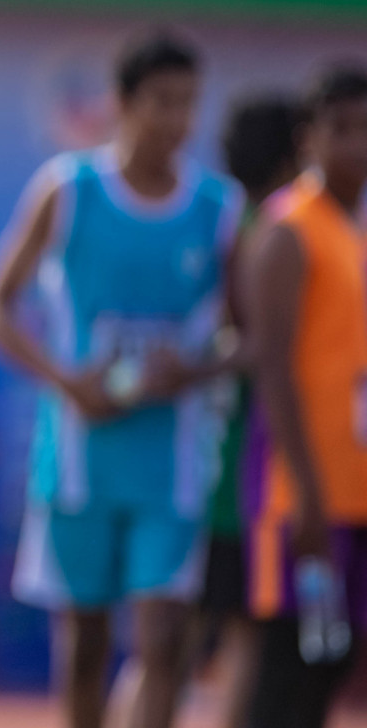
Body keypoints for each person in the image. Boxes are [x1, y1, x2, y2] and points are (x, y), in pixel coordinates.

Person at [0, 30, 243, 728]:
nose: (178, 120)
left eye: (189, 104)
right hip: (78, 462)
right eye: (162, 102)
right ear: (124, 103)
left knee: (163, 639)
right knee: (85, 648)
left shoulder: (219, 209)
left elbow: (247, 337)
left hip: (172, 464)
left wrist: (197, 366)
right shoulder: (69, 191)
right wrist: (69, 381)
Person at [242, 65, 367, 728]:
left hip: (353, 494)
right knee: (288, 678)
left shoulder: (353, 232)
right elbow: (274, 368)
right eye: (340, 130)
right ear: (308, 139)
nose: (356, 147)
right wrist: (309, 497)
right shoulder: (290, 230)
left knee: (326, 672)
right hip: (304, 503)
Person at [196, 97, 303, 728]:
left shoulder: (221, 221)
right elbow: (255, 342)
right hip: (241, 468)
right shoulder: (272, 229)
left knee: (181, 641)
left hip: (211, 459)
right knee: (242, 635)